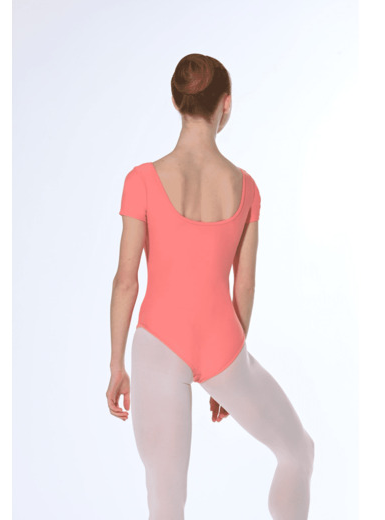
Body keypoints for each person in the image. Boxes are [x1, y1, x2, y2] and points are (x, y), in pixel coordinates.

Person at [106, 53, 315, 520]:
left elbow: (125, 281)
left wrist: (117, 364)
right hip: (223, 343)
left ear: (175, 102)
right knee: (298, 452)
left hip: (159, 344)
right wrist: (231, 368)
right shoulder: (247, 187)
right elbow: (246, 285)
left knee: (165, 502)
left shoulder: (141, 180)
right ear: (226, 104)